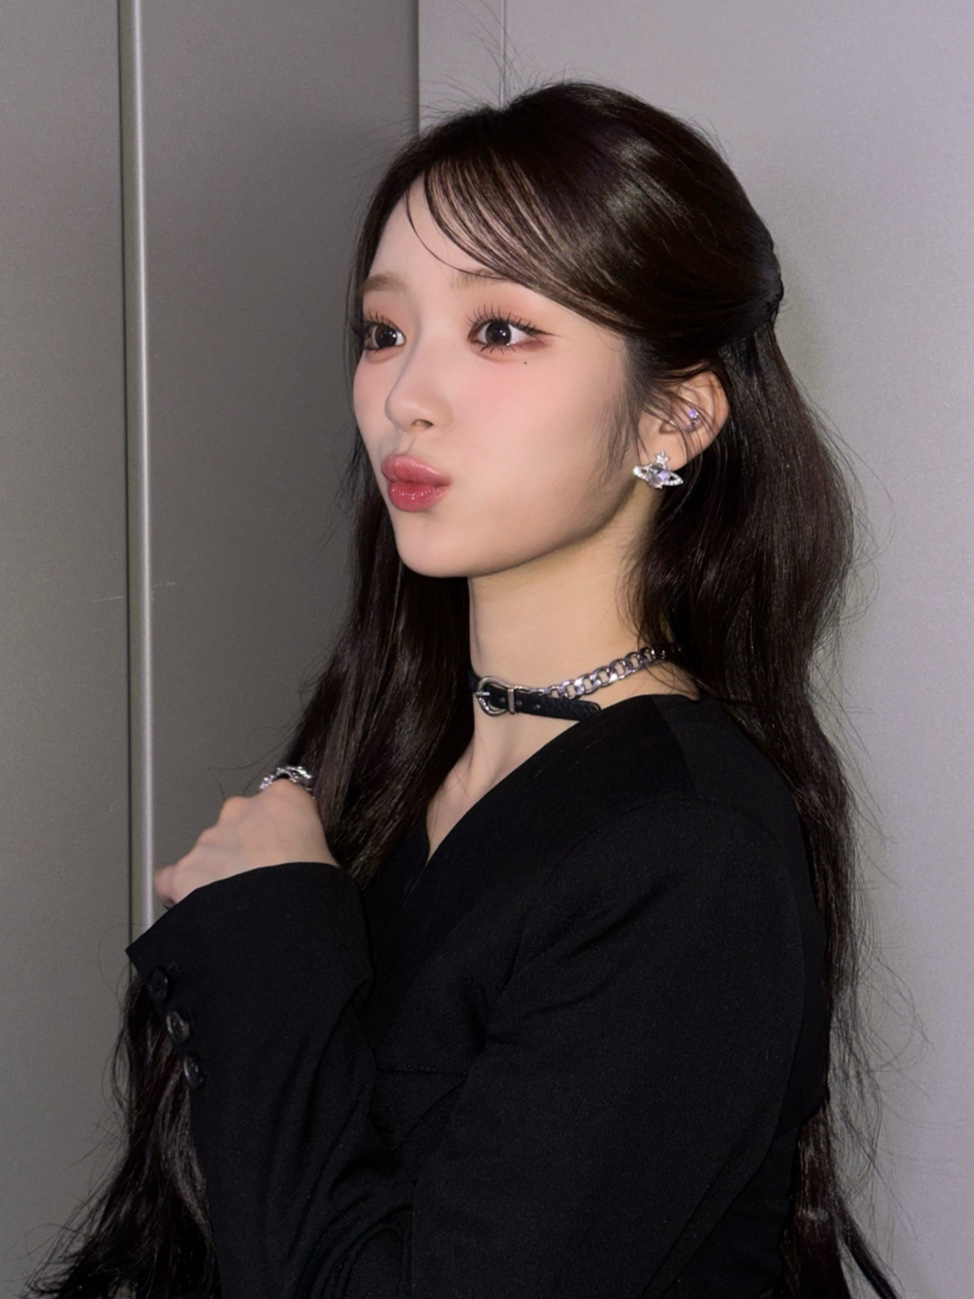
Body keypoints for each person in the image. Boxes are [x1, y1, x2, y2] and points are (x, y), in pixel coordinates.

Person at [31, 81, 898, 1298]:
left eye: (497, 330)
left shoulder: (682, 848)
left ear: (675, 414)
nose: (404, 398)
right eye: (383, 331)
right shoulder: (389, 758)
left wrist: (269, 937)